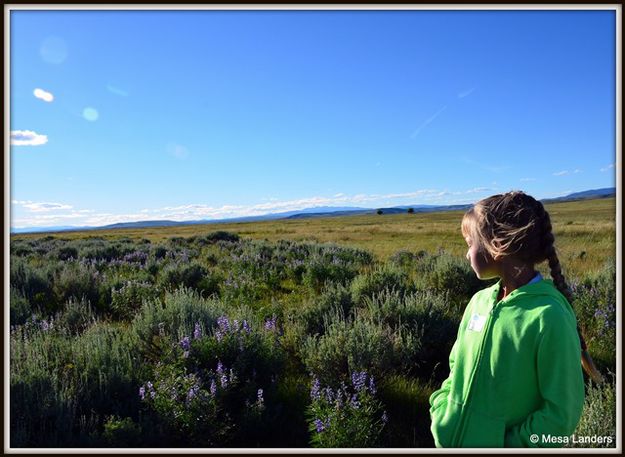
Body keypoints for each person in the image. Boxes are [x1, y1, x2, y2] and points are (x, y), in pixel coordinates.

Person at [429, 191, 603, 448]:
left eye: (469, 244)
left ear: (497, 245)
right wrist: (442, 409)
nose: (467, 254)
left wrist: (509, 446)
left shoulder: (548, 316)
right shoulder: (478, 303)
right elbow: (456, 367)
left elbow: (561, 414)